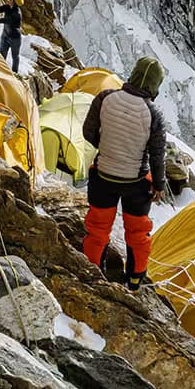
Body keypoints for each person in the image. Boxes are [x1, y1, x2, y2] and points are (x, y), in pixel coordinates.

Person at [81, 56, 166, 291]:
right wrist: (158, 184)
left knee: (98, 229)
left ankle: (92, 272)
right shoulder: (153, 115)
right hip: (136, 182)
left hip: (103, 176)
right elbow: (157, 155)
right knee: (138, 232)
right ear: (154, 85)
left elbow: (88, 133)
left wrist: (107, 147)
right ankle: (135, 279)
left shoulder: (105, 98)